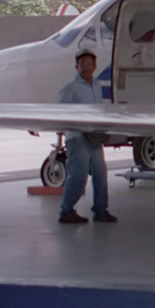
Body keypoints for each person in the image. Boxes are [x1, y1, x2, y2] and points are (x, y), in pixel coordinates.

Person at [57, 50, 116, 224]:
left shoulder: (97, 85)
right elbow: (61, 111)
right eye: (82, 64)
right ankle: (66, 211)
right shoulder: (70, 87)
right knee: (78, 175)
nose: (86, 68)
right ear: (77, 67)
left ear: (94, 67)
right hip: (78, 137)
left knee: (100, 174)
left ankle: (101, 210)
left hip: (94, 138)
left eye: (89, 64)